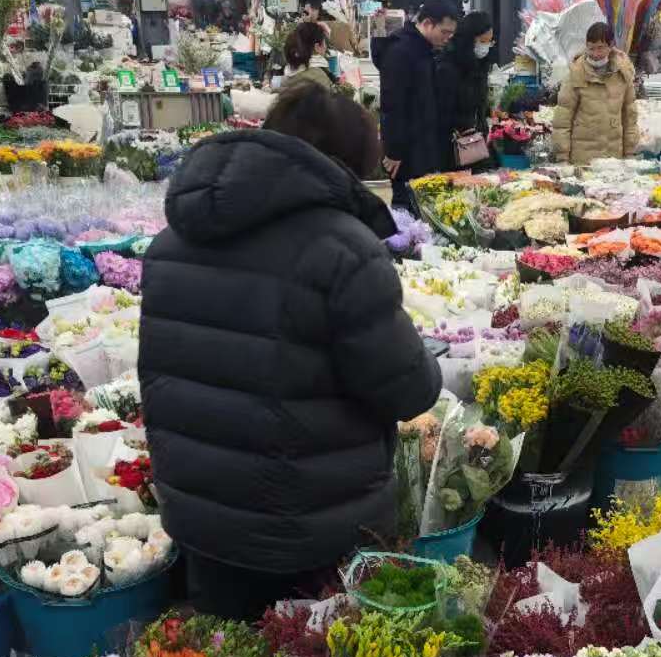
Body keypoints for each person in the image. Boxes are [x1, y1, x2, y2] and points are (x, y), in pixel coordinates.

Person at [140, 88, 441, 621]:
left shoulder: (171, 244)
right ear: (351, 161)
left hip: (202, 520)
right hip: (308, 527)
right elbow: (409, 390)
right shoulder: (342, 248)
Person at [377, 0, 458, 201]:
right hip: (407, 151)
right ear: (428, 23)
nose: (448, 38)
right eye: (444, 32)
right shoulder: (401, 51)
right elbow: (392, 104)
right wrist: (394, 151)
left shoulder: (424, 49)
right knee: (408, 204)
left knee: (423, 202)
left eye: (451, 34)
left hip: (423, 145)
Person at [552, 22, 638, 167]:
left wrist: (630, 153)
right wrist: (562, 158)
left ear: (611, 46)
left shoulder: (623, 74)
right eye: (591, 48)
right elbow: (562, 120)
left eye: (600, 48)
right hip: (583, 160)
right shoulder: (576, 73)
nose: (595, 54)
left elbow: (630, 118)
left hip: (613, 158)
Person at [437, 10, 495, 158]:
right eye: (482, 41)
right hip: (453, 145)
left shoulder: (480, 64)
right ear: (468, 39)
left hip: (475, 141)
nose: (486, 47)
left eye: (489, 42)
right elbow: (443, 111)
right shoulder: (447, 67)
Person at [280, 21, 334, 94]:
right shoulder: (318, 77)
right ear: (317, 47)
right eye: (325, 43)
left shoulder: (289, 72)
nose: (325, 47)